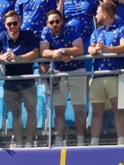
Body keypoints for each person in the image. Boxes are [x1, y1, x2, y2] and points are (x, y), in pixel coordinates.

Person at [0, 10, 39, 148]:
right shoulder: (2, 36)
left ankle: (29, 142)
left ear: (20, 23)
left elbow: (36, 52)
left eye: (15, 23)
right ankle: (18, 143)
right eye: (9, 24)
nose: (12, 26)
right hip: (10, 81)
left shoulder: (28, 34)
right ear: (5, 25)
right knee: (15, 114)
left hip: (28, 79)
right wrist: (2, 57)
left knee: (31, 111)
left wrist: (18, 58)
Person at [40, 9, 87, 146]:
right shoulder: (45, 32)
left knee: (78, 109)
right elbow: (44, 51)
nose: (55, 24)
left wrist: (62, 51)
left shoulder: (71, 29)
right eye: (51, 22)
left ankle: (81, 141)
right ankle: (59, 141)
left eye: (57, 21)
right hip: (57, 72)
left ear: (62, 21)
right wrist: (59, 53)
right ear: (47, 23)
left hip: (77, 71)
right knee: (59, 109)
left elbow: (79, 50)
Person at [87, 1, 124, 146]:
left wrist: (107, 49)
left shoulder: (122, 28)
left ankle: (121, 141)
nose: (96, 15)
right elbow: (89, 50)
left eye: (98, 12)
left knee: (118, 109)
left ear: (104, 14)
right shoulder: (96, 32)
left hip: (114, 74)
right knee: (96, 111)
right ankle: (94, 142)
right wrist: (96, 49)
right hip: (98, 75)